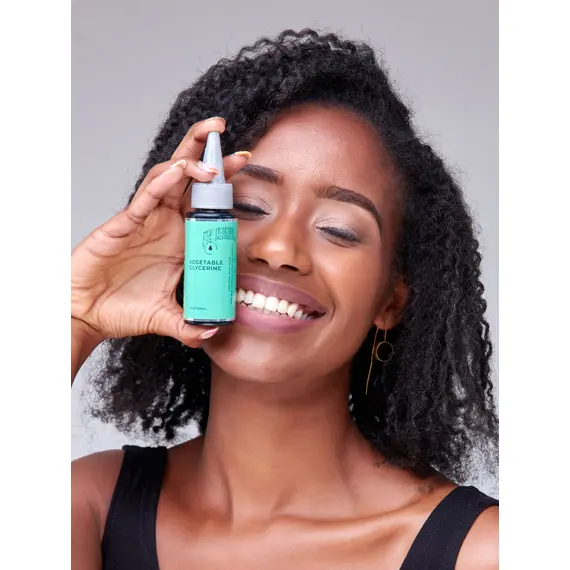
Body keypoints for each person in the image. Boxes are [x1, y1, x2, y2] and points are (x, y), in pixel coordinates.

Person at [71, 29, 499, 569]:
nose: (279, 250)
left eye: (338, 230)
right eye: (247, 207)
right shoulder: (87, 506)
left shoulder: (486, 552)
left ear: (390, 301)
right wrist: (77, 318)